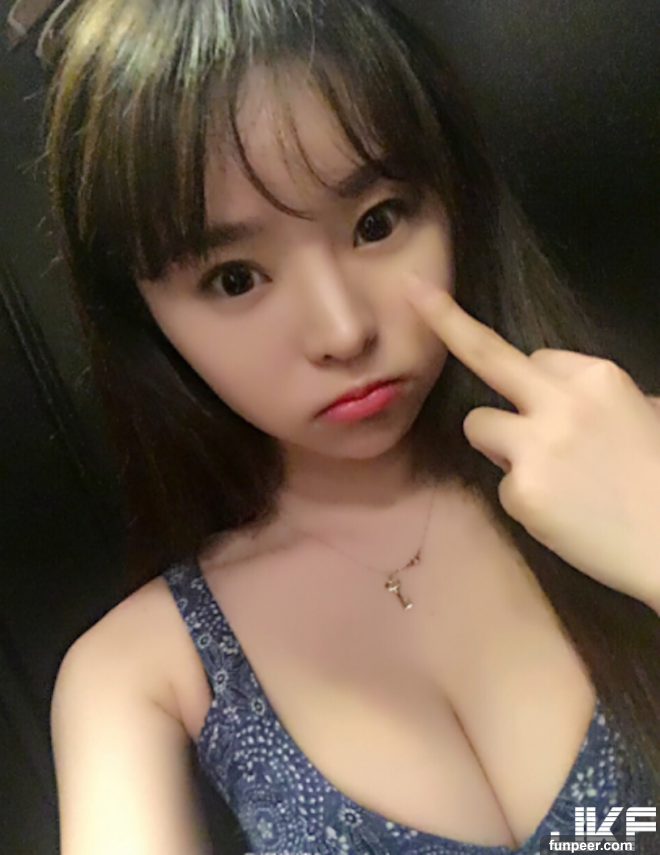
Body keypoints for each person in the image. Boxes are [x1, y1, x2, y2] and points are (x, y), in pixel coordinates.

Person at [45, 1, 660, 853]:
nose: (343, 331)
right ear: (146, 319)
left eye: (378, 222)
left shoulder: (634, 453)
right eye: (234, 278)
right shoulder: (138, 673)